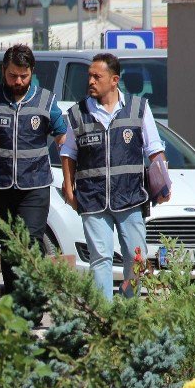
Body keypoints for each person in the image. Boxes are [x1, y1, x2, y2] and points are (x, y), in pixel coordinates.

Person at [59, 52, 169, 301]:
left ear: (114, 80)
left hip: (130, 197)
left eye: (97, 77)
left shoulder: (139, 108)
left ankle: (128, 304)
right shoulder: (78, 114)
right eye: (89, 76)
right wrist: (69, 189)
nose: (91, 81)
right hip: (92, 198)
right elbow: (68, 152)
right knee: (101, 257)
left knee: (136, 256)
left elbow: (154, 149)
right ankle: (105, 316)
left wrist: (164, 185)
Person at [0, 44, 68, 294]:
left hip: (35, 186)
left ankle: (30, 302)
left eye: (24, 75)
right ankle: (15, 302)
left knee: (31, 243)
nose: (18, 81)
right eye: (13, 75)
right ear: (3, 71)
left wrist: (70, 176)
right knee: (9, 244)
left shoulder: (45, 100)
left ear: (32, 71)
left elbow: (63, 138)